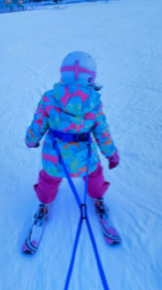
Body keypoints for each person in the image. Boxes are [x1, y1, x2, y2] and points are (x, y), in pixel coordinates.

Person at [25, 51, 119, 222]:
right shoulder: (93, 101)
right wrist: (111, 154)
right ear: (91, 77)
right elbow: (102, 131)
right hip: (85, 157)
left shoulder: (50, 98)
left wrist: (31, 140)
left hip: (55, 157)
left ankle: (45, 204)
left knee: (49, 178)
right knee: (94, 175)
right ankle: (97, 197)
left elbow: (38, 123)